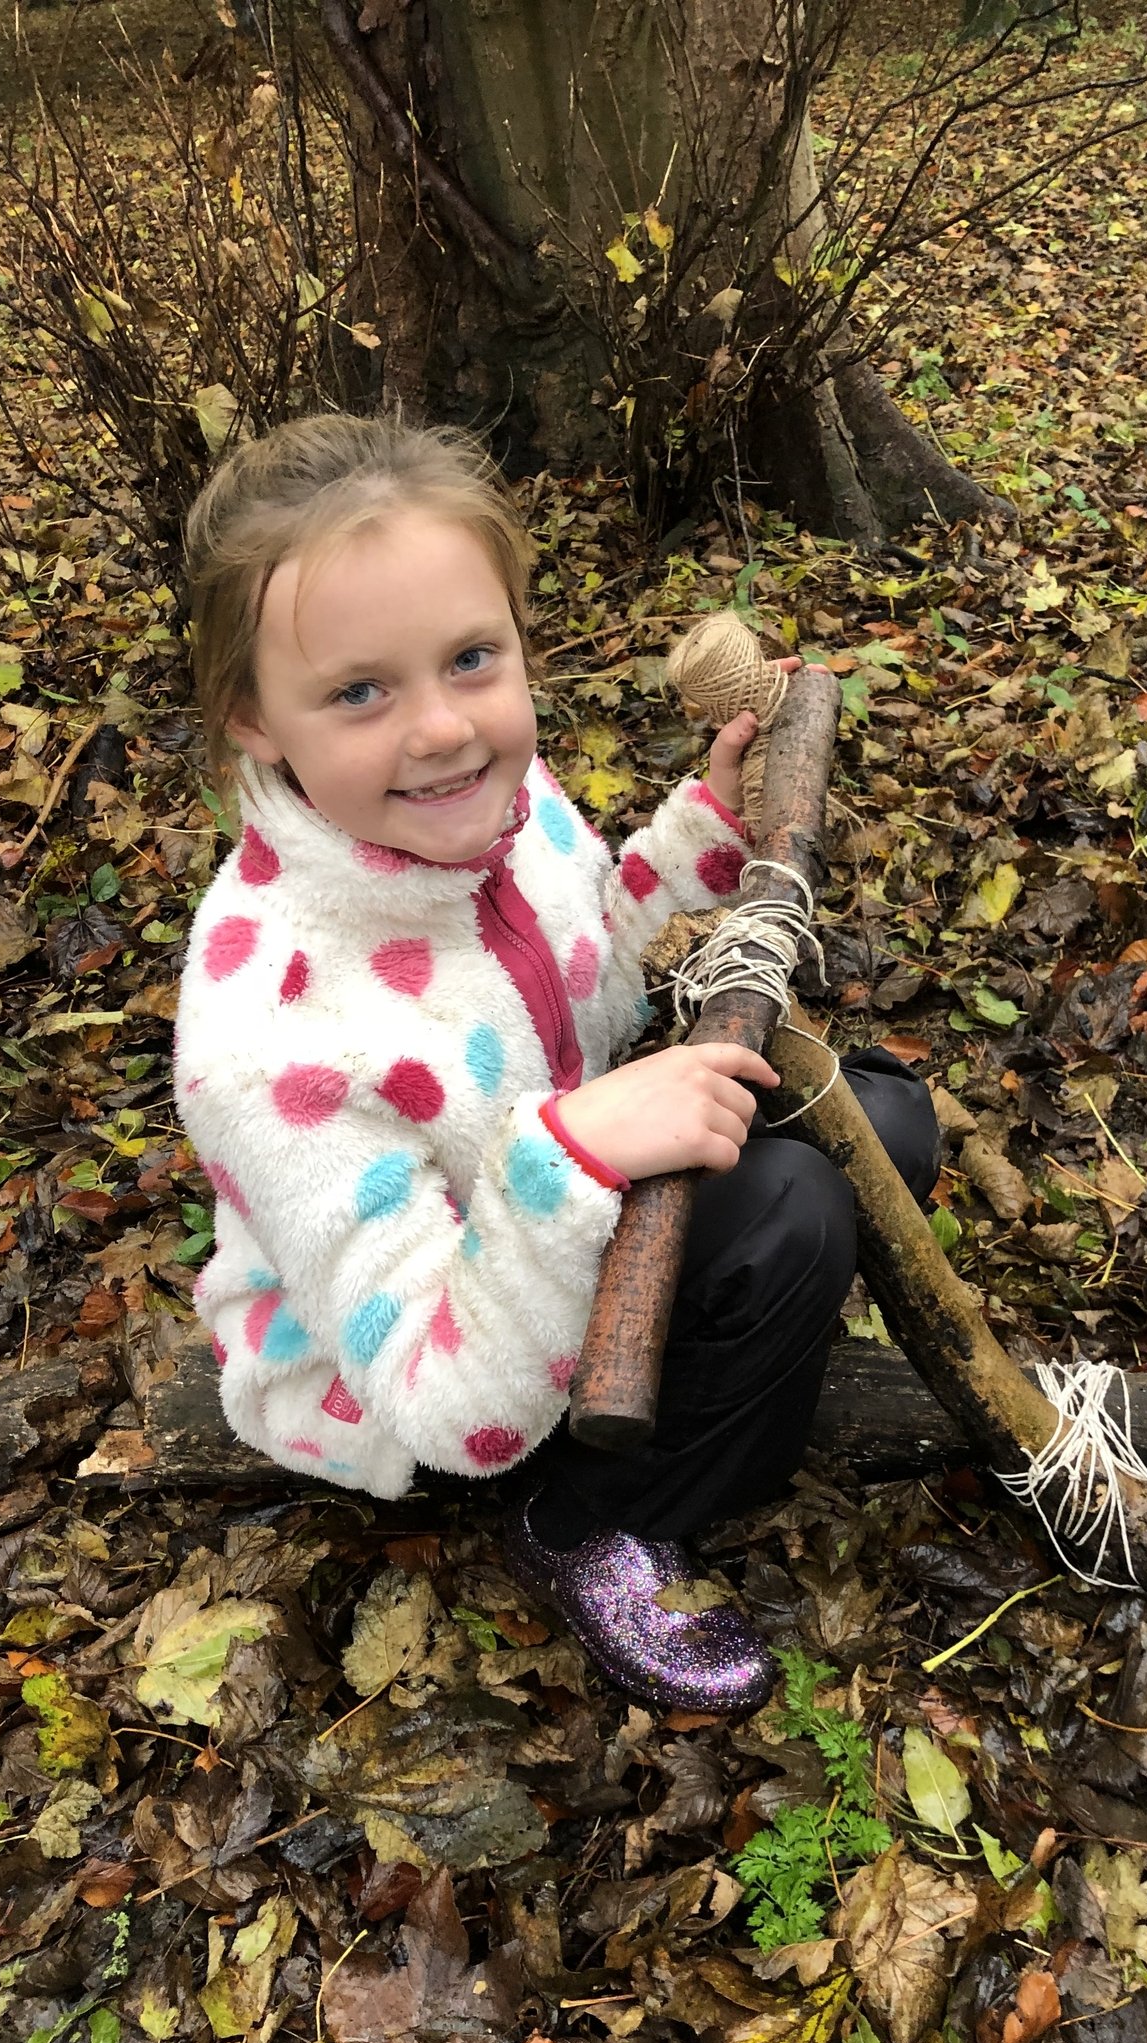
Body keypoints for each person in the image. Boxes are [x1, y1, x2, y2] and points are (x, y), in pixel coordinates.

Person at [174, 414, 940, 1718]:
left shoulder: (492, 814)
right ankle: (588, 1520)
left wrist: (704, 836)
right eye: (360, 691)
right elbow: (440, 1399)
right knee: (798, 1221)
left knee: (876, 1119)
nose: (439, 728)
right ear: (254, 714)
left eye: (472, 659)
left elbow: (591, 966)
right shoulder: (275, 1028)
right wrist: (573, 1153)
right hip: (435, 1375)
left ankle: (730, 1362)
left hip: (544, 1213)